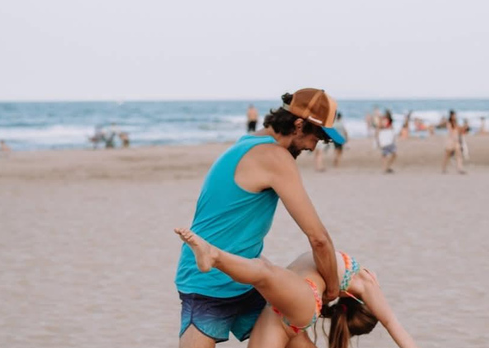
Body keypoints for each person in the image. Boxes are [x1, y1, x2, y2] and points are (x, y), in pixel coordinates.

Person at [175, 88, 346, 348]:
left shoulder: (247, 142)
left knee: (296, 339)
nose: (314, 146)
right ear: (299, 125)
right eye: (318, 137)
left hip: (246, 279)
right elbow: (318, 238)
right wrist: (333, 290)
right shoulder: (275, 157)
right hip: (208, 280)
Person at [174, 229, 419, 348]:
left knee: (264, 271)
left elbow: (393, 324)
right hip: (283, 317)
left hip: (301, 300)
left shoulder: (364, 283)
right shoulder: (343, 287)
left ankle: (215, 256)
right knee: (266, 272)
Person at [442, 110, 465, 174]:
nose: (455, 116)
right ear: (451, 115)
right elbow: (451, 131)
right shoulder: (449, 123)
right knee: (447, 156)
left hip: (456, 141)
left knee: (459, 155)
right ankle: (444, 168)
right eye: (454, 115)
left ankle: (460, 168)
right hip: (450, 141)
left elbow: (458, 130)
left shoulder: (455, 122)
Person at [376, 110, 397, 174]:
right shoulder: (383, 121)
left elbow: (391, 130)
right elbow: (379, 129)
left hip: (388, 140)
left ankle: (387, 167)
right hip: (385, 140)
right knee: (385, 155)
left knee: (390, 154)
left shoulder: (388, 121)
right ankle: (386, 168)